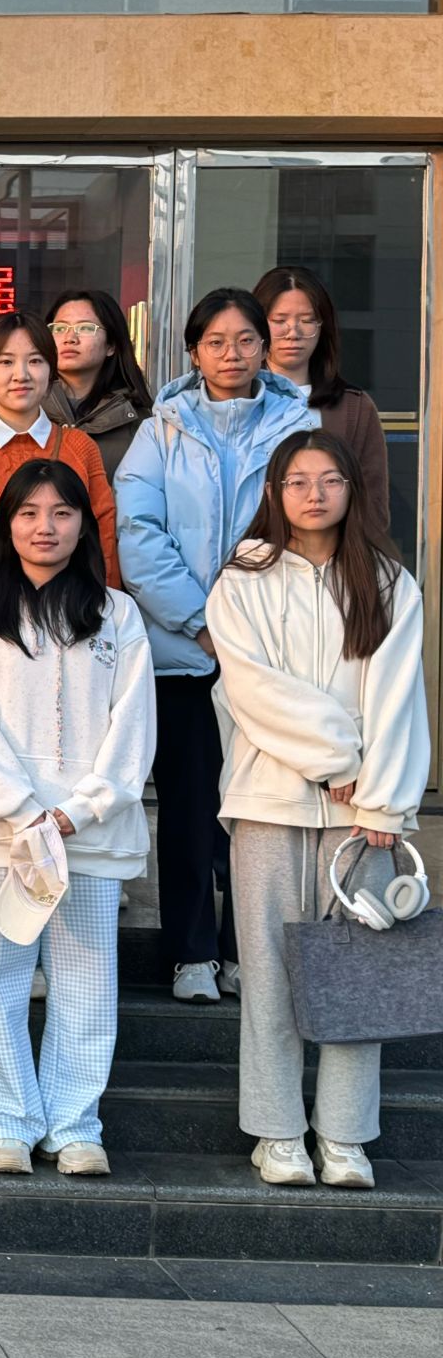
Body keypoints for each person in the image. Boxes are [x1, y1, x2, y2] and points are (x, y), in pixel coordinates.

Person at [207, 429, 426, 1190]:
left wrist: (383, 799)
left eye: (329, 479)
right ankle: (277, 1133)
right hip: (268, 801)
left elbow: (400, 697)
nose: (313, 494)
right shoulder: (243, 577)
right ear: (275, 492)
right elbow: (252, 690)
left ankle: (344, 1136)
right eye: (297, 481)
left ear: (351, 488)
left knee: (357, 979)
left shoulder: (389, 580)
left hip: (363, 817)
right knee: (268, 974)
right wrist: (338, 758)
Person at [0, 461, 156, 1178]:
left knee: (87, 980)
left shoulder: (118, 614)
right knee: (0, 974)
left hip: (89, 831)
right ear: (7, 524)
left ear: (83, 525)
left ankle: (74, 1124)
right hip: (3, 835)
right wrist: (23, 810)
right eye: (29, 512)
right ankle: (6, 1122)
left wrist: (76, 810)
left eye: (62, 513)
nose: (45, 527)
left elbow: (134, 727)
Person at [116, 287, 318, 1005]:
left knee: (262, 813)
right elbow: (139, 534)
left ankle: (245, 952)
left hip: (271, 659)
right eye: (215, 342)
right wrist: (203, 623)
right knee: (189, 809)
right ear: (193, 352)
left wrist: (255, 633)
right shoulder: (160, 431)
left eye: (245, 340)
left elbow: (309, 533)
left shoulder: (300, 427)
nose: (231, 354)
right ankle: (192, 953)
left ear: (265, 348)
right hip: (185, 656)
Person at [0, 312, 120, 607]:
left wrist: (105, 611)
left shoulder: (80, 448)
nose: (21, 375)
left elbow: (103, 541)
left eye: (35, 361)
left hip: (72, 613)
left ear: (51, 370)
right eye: (6, 362)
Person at [253, 266, 389, 532]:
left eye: (306, 320)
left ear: (322, 326)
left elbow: (372, 505)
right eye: (279, 320)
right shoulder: (237, 401)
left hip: (331, 554)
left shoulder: (353, 408)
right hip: (251, 552)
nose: (293, 332)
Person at [42, 290, 152, 481]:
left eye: (85, 328)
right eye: (59, 328)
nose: (69, 338)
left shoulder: (142, 424)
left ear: (111, 345)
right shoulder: (26, 410)